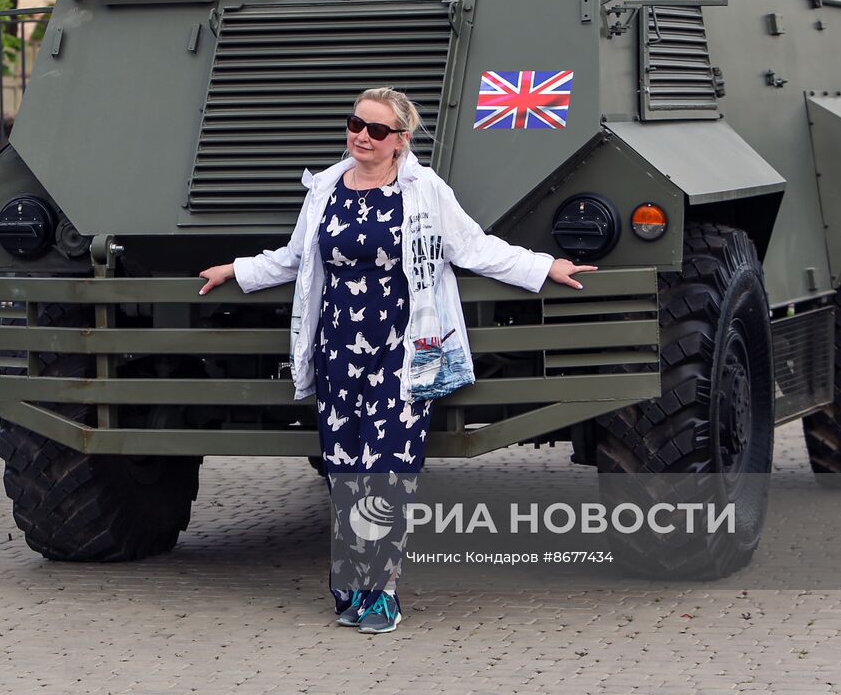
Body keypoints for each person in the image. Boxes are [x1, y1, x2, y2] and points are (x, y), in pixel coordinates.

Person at [198, 87, 596, 634]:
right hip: (338, 354)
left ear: (401, 140)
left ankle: (381, 590)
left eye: (377, 130)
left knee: (385, 470)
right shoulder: (325, 189)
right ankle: (348, 583)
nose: (362, 135)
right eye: (356, 123)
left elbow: (475, 248)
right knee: (344, 467)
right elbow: (295, 259)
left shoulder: (424, 190)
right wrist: (237, 272)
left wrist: (544, 266)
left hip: (402, 354)